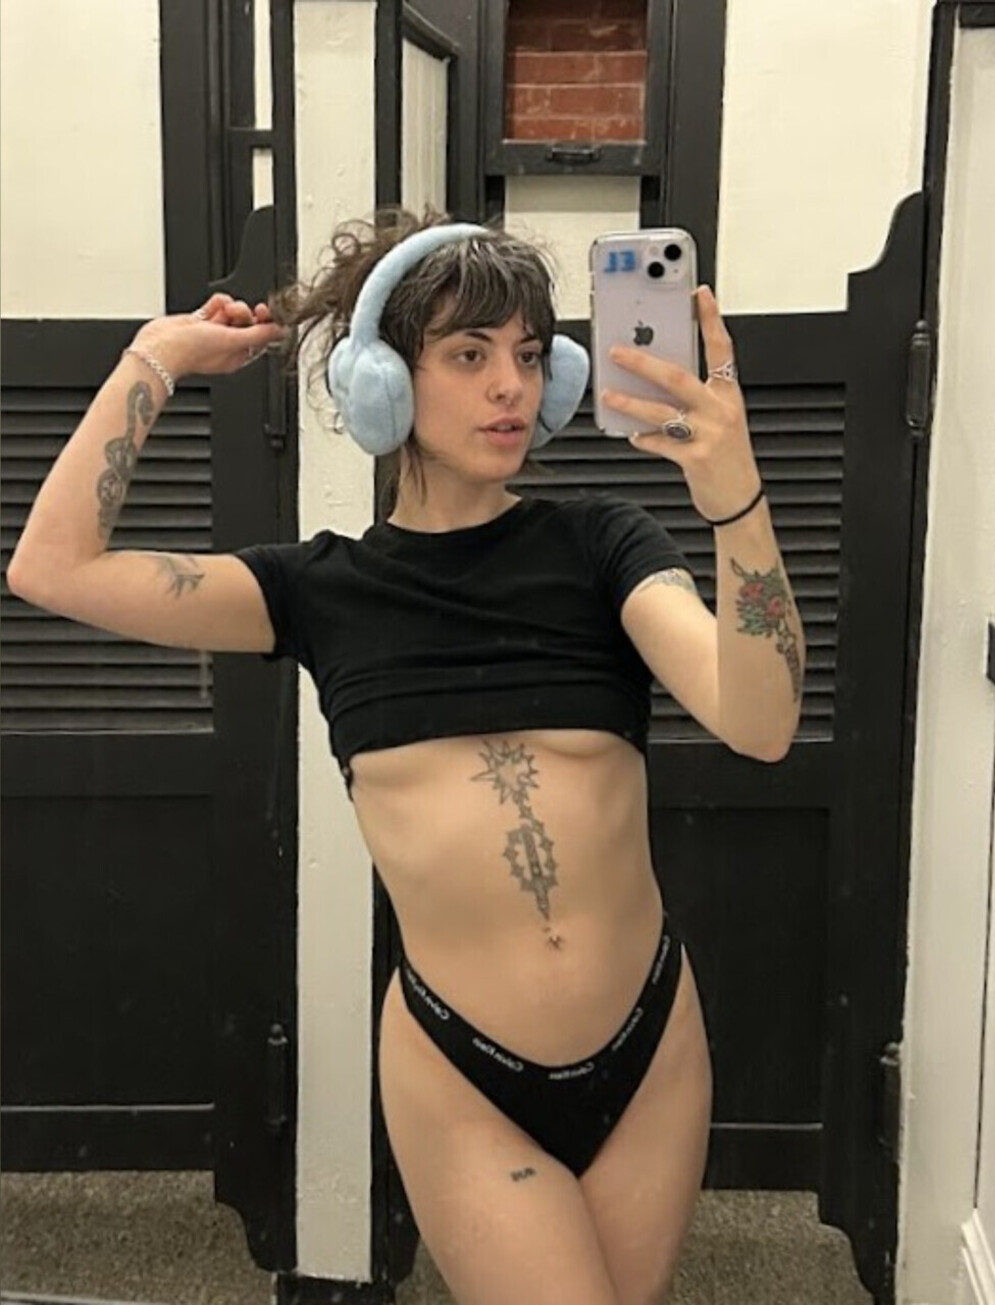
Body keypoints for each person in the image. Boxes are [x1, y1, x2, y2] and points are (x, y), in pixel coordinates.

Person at [8, 209, 805, 1305]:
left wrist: (736, 501)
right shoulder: (315, 590)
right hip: (463, 1071)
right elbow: (51, 567)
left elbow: (760, 722)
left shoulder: (605, 545)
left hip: (652, 1040)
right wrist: (154, 360)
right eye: (469, 356)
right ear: (384, 379)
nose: (509, 386)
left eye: (530, 355)